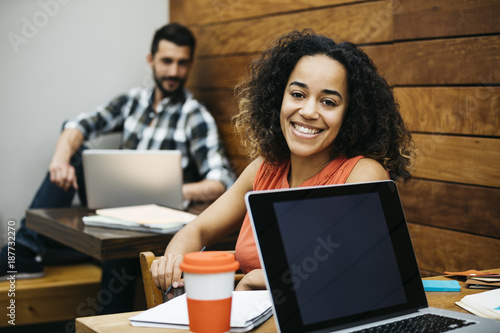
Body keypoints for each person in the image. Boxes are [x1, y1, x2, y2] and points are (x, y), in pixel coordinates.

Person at [151, 29, 416, 294]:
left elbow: (354, 276)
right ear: (279, 98)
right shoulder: (263, 170)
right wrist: (172, 262)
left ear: (350, 114)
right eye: (298, 95)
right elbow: (197, 230)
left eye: (328, 102)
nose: (308, 112)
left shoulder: (363, 174)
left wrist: (262, 280)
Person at [0, 23, 235, 295]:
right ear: (151, 60)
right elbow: (79, 125)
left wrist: (169, 191)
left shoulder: (195, 116)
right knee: (72, 153)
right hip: (113, 205)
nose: (174, 72)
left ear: (190, 64)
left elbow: (221, 181)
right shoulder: (133, 101)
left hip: (151, 219)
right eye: (167, 61)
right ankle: (27, 249)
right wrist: (58, 161)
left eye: (182, 63)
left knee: (117, 254)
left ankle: (30, 252)